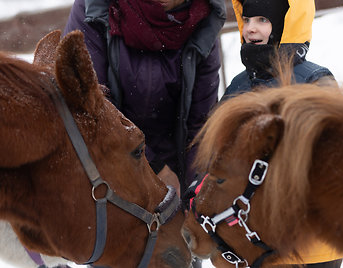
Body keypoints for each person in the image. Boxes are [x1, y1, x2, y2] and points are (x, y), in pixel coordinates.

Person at [63, 0, 226, 200]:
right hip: (102, 163)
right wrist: (154, 168)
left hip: (173, 167)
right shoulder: (95, 8)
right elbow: (89, 108)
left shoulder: (202, 20)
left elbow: (200, 126)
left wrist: (195, 191)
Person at [222, 0, 343, 267]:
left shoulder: (316, 82)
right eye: (248, 19)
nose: (250, 29)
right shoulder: (239, 85)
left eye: (263, 20)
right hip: (253, 243)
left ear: (287, 26)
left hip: (311, 245)